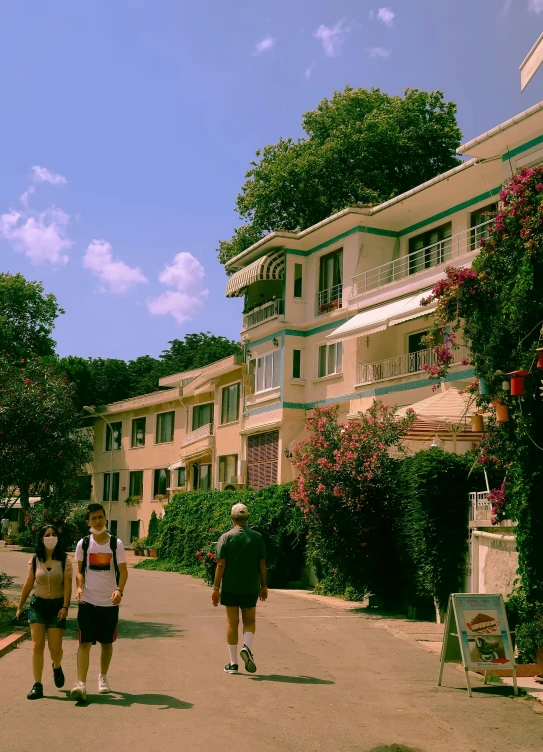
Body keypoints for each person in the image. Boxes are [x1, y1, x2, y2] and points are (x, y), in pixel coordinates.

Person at [70, 503, 128, 702]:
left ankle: (102, 677)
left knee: (106, 642)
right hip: (87, 601)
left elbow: (124, 571)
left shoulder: (115, 544)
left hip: (108, 602)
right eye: (93, 518)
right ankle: (81, 684)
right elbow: (79, 571)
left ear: (105, 518)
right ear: (88, 522)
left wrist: (119, 590)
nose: (97, 521)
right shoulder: (83, 544)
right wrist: (79, 587)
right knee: (84, 642)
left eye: (100, 517)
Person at [16, 524, 73, 700]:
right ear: (41, 539)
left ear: (58, 538)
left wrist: (65, 607)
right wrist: (20, 606)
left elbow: (68, 587)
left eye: (53, 534)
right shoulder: (35, 560)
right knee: (37, 646)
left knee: (55, 648)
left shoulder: (65, 560)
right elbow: (28, 584)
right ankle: (37, 684)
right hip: (37, 606)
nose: (50, 537)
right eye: (47, 535)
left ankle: (56, 666)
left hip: (57, 607)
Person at [212, 503, 267, 674]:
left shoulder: (225, 538)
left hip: (230, 587)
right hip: (250, 586)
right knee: (249, 621)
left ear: (232, 518)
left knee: (232, 623)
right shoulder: (257, 537)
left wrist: (215, 587)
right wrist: (264, 585)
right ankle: (246, 647)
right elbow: (262, 563)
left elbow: (221, 564)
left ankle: (233, 663)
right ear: (247, 518)